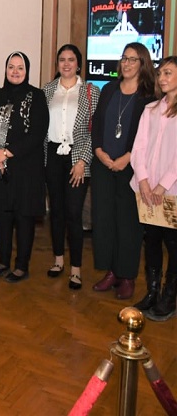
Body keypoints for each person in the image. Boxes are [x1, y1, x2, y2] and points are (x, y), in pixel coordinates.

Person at [91, 42, 155, 300]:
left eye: (133, 59)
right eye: (124, 58)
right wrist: (99, 151)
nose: (127, 64)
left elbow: (147, 137)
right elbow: (96, 124)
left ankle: (127, 275)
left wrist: (127, 158)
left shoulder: (149, 97)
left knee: (128, 223)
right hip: (103, 164)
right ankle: (111, 271)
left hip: (132, 168)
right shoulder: (108, 89)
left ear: (143, 65)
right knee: (104, 220)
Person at [0, 51, 48, 283]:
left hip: (25, 168)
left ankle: (21, 265)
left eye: (20, 67)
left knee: (23, 217)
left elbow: (38, 133)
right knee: (3, 216)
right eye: (11, 66)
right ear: (5, 69)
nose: (15, 71)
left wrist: (7, 153)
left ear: (27, 71)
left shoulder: (37, 96)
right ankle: (3, 261)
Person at [42, 44, 99, 291]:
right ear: (57, 64)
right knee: (56, 212)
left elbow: (94, 132)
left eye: (71, 59)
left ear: (78, 64)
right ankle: (58, 261)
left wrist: (83, 161)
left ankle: (76, 269)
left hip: (78, 157)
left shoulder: (90, 91)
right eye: (62, 60)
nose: (66, 64)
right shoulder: (47, 91)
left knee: (74, 214)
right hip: (53, 156)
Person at [130, 55, 177, 321]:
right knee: (152, 241)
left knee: (173, 244)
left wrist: (162, 186)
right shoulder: (150, 110)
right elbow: (139, 149)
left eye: (168, 73)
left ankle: (169, 295)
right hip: (147, 190)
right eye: (160, 74)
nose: (162, 78)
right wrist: (145, 182)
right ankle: (152, 292)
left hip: (171, 191)